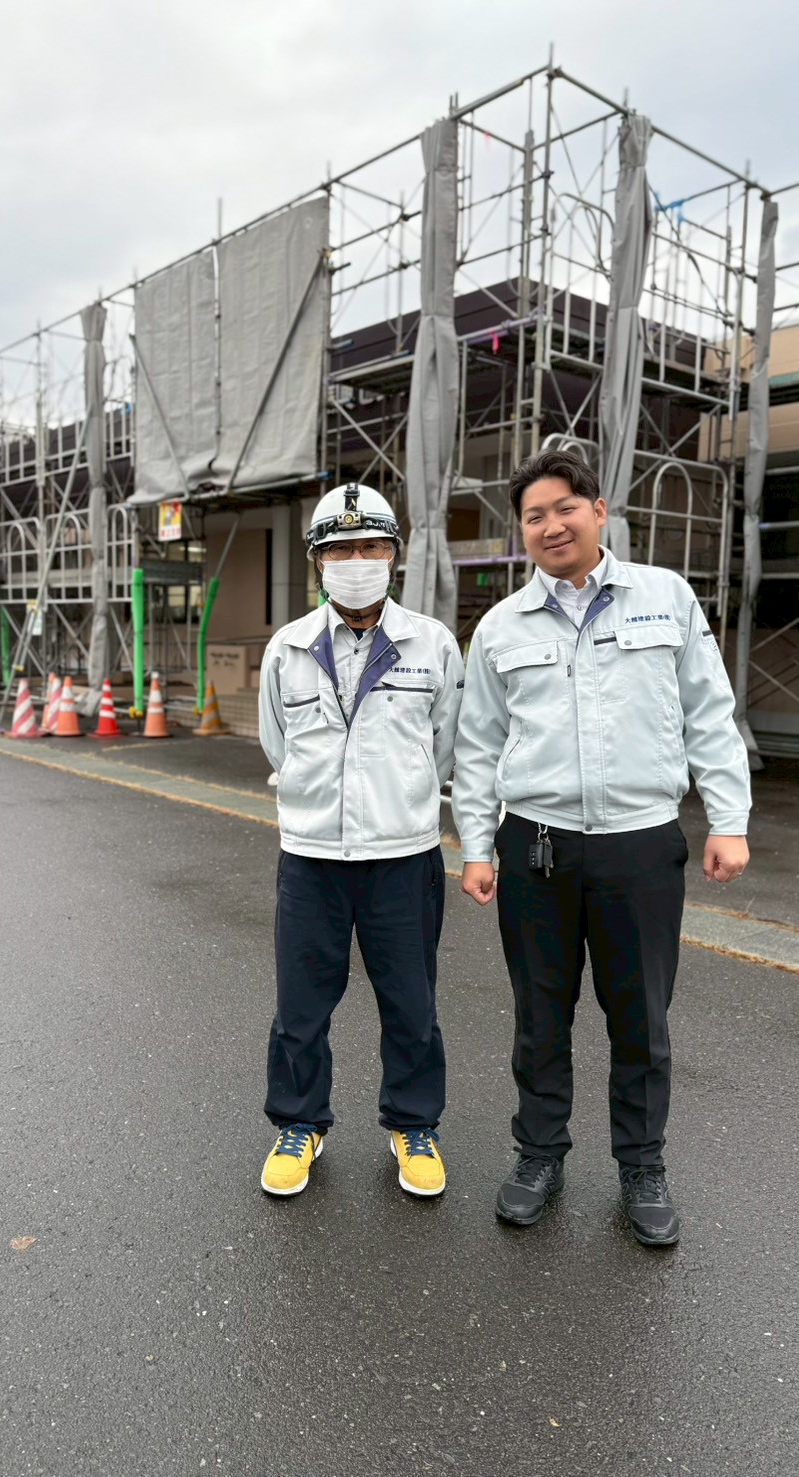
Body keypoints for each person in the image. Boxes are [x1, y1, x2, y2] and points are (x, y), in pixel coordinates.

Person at [451, 449, 751, 1246]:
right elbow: (477, 745)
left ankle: (642, 1165)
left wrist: (729, 818)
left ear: (598, 510)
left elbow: (709, 713)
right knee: (539, 1014)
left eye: (564, 508)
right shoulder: (502, 627)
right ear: (521, 532)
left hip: (640, 845)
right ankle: (539, 1155)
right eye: (534, 516)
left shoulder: (666, 597)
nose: (551, 525)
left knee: (641, 1018)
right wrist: (477, 845)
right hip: (537, 845)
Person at [257, 482, 463, 1199]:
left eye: (370, 547)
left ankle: (413, 1124)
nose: (356, 562)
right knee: (301, 1006)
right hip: (311, 856)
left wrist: (398, 799)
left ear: (393, 555)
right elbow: (278, 744)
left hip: (403, 856)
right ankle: (299, 1123)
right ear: (317, 560)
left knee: (411, 1002)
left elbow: (445, 748)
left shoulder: (431, 644)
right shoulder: (287, 649)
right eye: (340, 550)